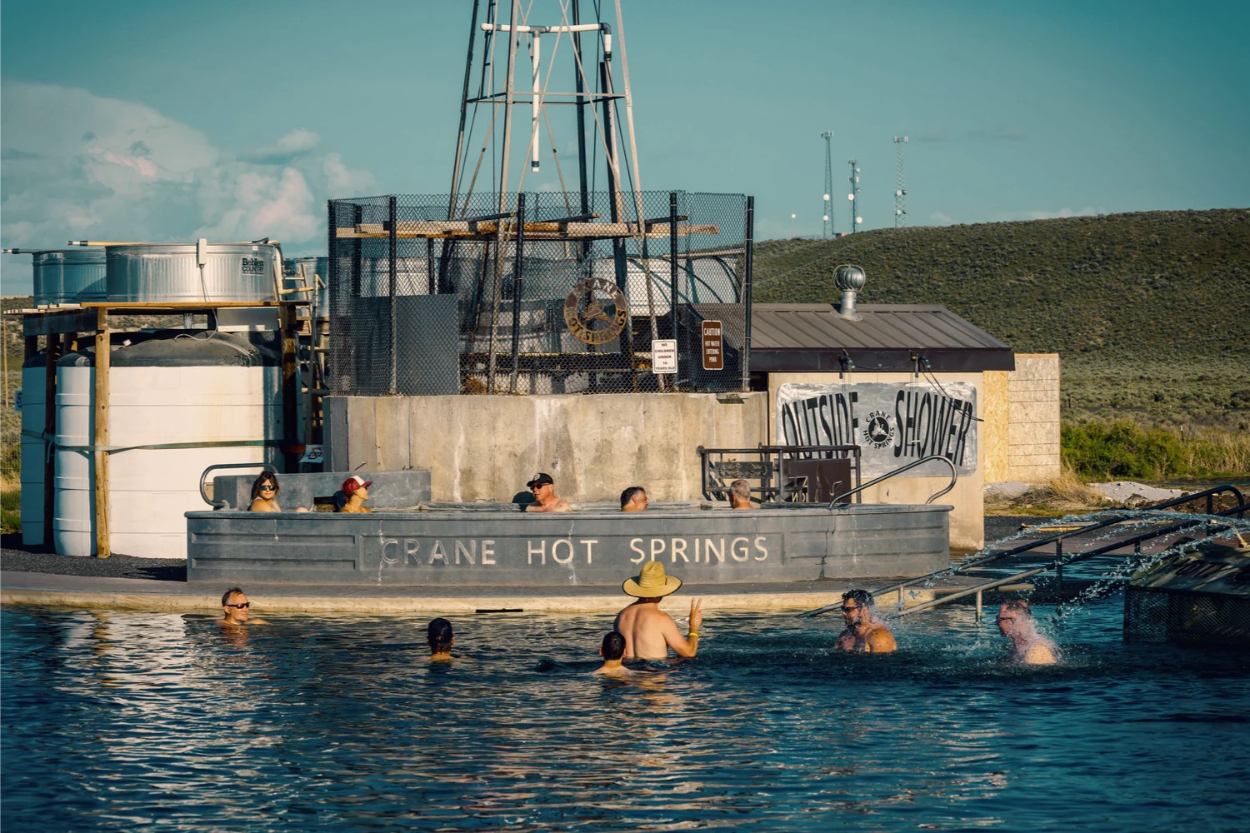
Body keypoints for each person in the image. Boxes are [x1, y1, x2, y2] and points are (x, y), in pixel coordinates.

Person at [614, 562, 703, 660]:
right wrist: (693, 627)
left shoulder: (621, 616)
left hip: (627, 672)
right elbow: (689, 653)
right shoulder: (661, 619)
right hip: (654, 672)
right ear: (668, 592)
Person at [996, 599, 1058, 665]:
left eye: (1000, 619)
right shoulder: (1017, 647)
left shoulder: (1036, 651)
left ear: (1012, 621)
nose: (996, 623)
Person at [834, 589, 896, 653]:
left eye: (848, 609)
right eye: (843, 609)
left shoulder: (879, 636)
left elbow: (883, 662)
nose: (843, 613)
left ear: (865, 610)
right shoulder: (845, 635)